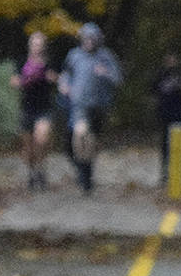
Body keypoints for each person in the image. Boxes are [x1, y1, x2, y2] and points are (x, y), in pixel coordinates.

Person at [56, 22, 121, 192]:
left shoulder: (106, 56)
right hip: (78, 105)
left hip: (98, 106)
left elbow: (117, 79)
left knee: (91, 143)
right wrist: (64, 85)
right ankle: (83, 172)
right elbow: (65, 74)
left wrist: (105, 73)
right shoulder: (74, 55)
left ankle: (86, 174)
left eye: (92, 38)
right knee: (78, 137)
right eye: (86, 37)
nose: (89, 41)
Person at [12, 30, 57, 189]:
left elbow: (58, 78)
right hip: (27, 108)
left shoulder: (49, 62)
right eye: (34, 44)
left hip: (44, 107)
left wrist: (50, 78)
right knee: (28, 148)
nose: (37, 47)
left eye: (40, 44)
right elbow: (14, 82)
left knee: (41, 139)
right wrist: (26, 80)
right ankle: (32, 172)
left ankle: (41, 167)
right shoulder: (22, 61)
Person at [154, 51, 181, 188]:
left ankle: (177, 176)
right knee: (164, 144)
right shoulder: (160, 74)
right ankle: (164, 172)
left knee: (178, 144)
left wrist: (180, 86)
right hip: (164, 113)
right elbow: (153, 90)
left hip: (179, 113)